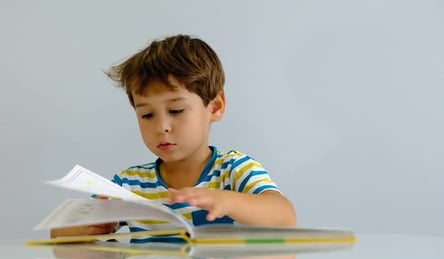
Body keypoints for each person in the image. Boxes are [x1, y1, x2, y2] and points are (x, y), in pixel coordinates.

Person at [51, 34, 296, 240]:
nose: (161, 127)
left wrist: (228, 201)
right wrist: (77, 227)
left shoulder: (234, 170)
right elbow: (60, 231)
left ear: (215, 106)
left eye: (176, 111)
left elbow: (285, 217)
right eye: (147, 115)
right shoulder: (129, 183)